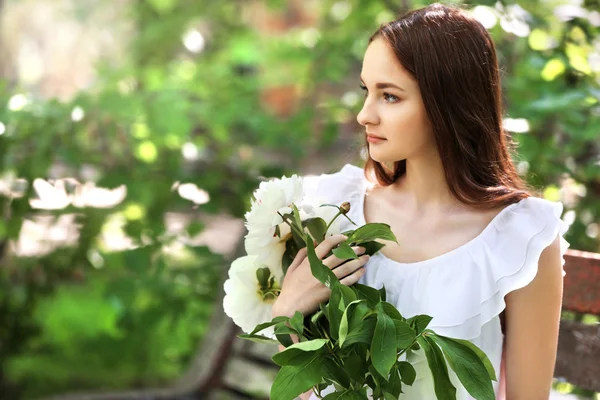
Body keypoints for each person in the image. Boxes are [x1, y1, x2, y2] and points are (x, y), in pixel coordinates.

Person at [271, 3, 570, 399]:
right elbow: (301, 392)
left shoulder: (522, 238)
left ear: (448, 103)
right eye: (367, 91)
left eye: (390, 97)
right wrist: (286, 315)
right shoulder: (334, 209)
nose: (364, 115)